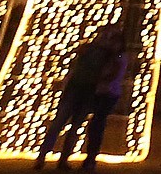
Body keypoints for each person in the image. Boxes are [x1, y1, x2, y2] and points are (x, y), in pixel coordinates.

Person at [40, 27, 115, 165]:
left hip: (87, 90)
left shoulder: (108, 54)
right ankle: (44, 155)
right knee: (60, 122)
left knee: (74, 125)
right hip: (76, 87)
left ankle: (62, 159)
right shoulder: (88, 49)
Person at [74, 27, 130, 168]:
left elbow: (112, 74)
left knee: (97, 123)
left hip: (108, 93)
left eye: (114, 41)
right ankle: (90, 156)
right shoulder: (107, 55)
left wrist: (98, 77)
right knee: (95, 123)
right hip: (100, 92)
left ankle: (91, 157)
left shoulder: (119, 57)